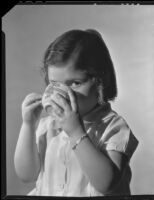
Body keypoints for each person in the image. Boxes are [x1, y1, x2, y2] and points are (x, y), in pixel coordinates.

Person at [14, 29, 139, 196]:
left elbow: (107, 184)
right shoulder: (47, 125)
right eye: (55, 83)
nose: (65, 93)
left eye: (75, 83)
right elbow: (26, 175)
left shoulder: (113, 126)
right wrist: (28, 125)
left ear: (101, 81)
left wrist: (75, 132)